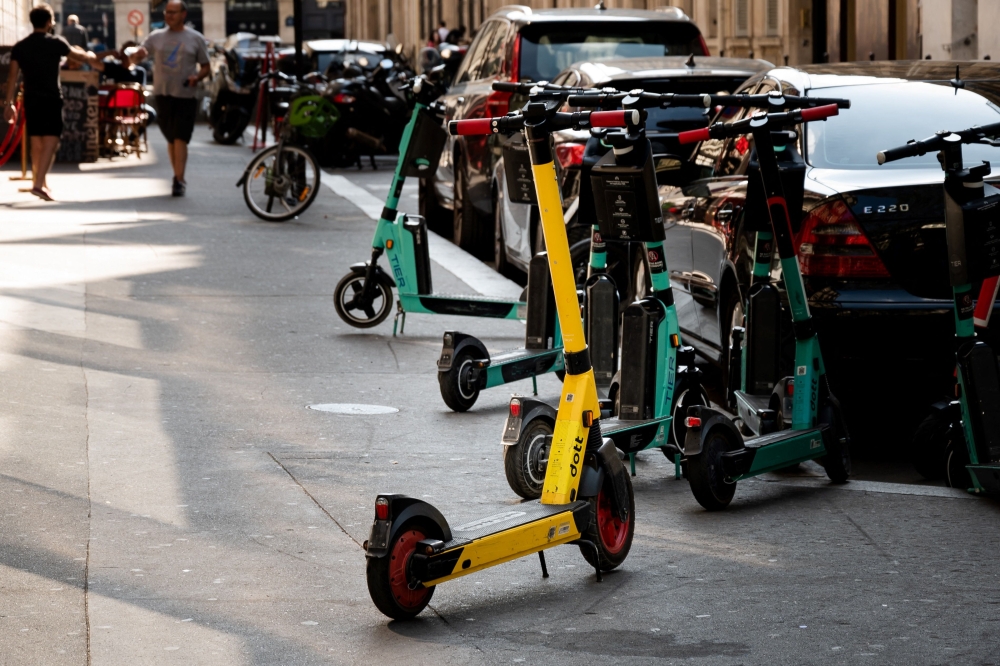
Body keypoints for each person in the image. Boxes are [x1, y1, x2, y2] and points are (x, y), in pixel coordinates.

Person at [3, 3, 100, 201]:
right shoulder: (56, 42)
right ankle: (38, 184)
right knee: (52, 139)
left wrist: (8, 104)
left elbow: (12, 78)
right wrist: (90, 56)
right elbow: (77, 56)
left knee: (36, 141)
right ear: (49, 22)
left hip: (31, 98)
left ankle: (40, 182)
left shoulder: (20, 47)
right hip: (51, 98)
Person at [130, 0, 209, 196]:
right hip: (162, 94)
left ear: (184, 14)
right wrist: (137, 55)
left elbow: (206, 67)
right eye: (167, 12)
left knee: (180, 137)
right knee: (171, 138)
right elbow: (137, 57)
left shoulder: (195, 38)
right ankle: (177, 175)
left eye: (173, 12)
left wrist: (196, 77)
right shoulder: (155, 36)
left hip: (185, 95)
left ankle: (179, 179)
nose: (169, 16)